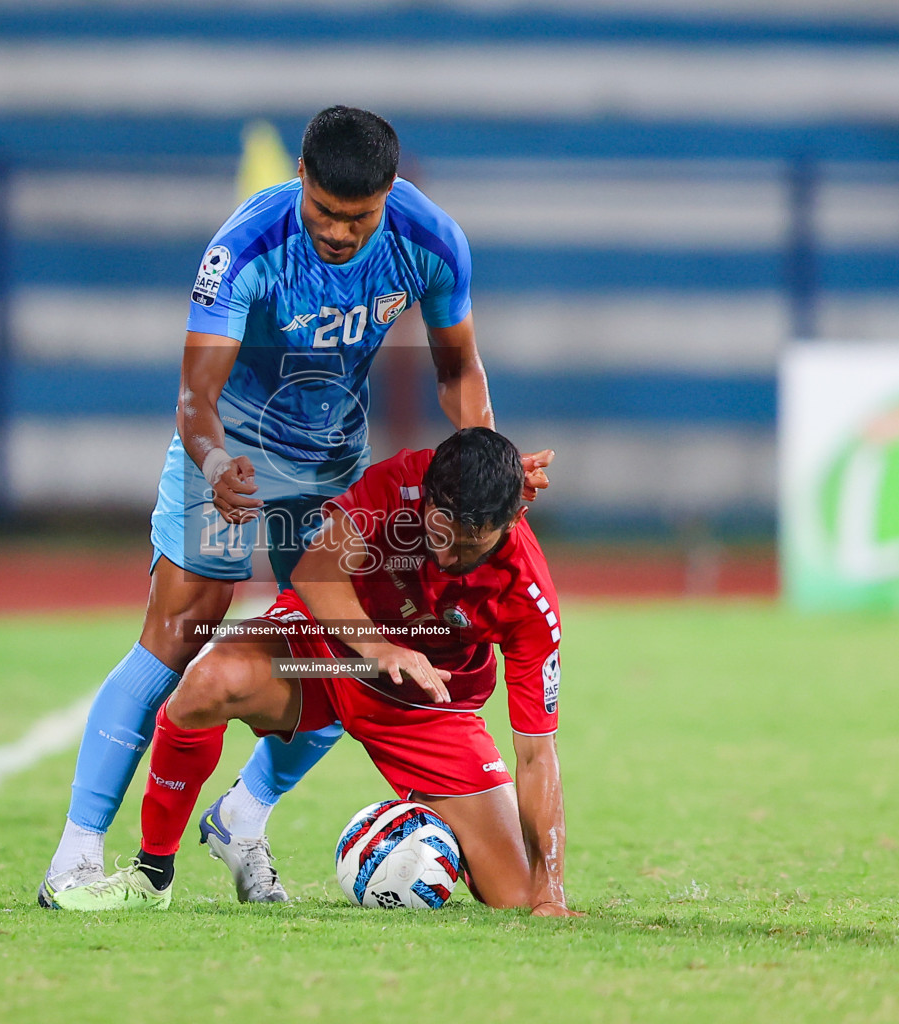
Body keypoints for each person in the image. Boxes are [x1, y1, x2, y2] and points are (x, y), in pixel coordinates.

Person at [39, 106, 552, 908]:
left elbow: (459, 370)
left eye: (360, 218)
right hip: (231, 455)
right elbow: (194, 396)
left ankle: (244, 817)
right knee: (177, 637)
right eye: (325, 213)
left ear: (388, 194)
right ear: (301, 181)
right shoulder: (242, 249)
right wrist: (212, 463)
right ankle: (75, 855)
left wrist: (487, 462)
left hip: (331, 467)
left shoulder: (432, 240)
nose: (342, 233)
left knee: (349, 647)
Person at [54, 428, 578, 917]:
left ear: (512, 519)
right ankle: (152, 874)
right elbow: (316, 569)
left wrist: (550, 891)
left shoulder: (529, 599)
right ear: (429, 495)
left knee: (516, 896)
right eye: (442, 532)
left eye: (470, 545)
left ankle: (245, 813)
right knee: (207, 682)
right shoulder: (401, 482)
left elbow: (536, 754)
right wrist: (377, 648)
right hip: (319, 653)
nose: (447, 555)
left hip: (424, 707)